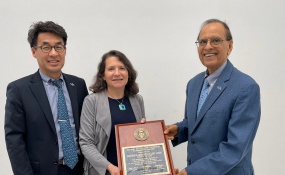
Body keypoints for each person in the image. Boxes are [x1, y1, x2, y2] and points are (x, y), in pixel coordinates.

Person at [164, 19, 261, 175]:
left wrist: (189, 172)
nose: (208, 46)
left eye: (215, 40)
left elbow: (235, 149)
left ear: (230, 46)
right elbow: (197, 123)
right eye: (202, 42)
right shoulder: (193, 84)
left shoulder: (246, 87)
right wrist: (178, 129)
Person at [5, 21, 88, 175]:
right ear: (33, 51)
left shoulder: (78, 85)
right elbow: (14, 140)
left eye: (58, 46)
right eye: (45, 47)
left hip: (79, 169)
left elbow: (91, 127)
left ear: (65, 50)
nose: (53, 53)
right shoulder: (19, 89)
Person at [79, 50, 146, 175]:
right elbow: (86, 143)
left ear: (128, 73)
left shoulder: (137, 100)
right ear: (103, 75)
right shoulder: (91, 101)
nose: (117, 73)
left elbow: (141, 139)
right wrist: (109, 167)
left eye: (122, 68)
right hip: (103, 171)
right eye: (111, 69)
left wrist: (146, 131)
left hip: (134, 171)